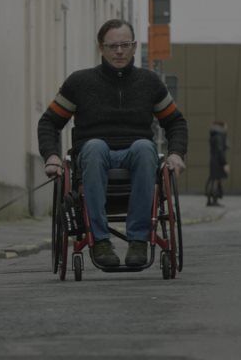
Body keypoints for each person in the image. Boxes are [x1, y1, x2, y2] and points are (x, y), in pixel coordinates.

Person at [37, 19, 188, 268]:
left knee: (144, 147)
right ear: (101, 48)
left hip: (136, 154)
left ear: (134, 46)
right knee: (95, 147)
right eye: (112, 46)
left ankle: (138, 241)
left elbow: (175, 122)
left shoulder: (150, 83)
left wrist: (176, 154)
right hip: (93, 155)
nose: (119, 51)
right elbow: (49, 122)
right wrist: (51, 156)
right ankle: (100, 241)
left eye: (125, 45)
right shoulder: (79, 83)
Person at [206, 121, 229, 206]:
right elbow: (220, 150)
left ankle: (210, 200)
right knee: (216, 181)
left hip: (214, 161)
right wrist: (225, 163)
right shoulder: (219, 136)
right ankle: (214, 201)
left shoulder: (214, 135)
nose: (227, 128)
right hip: (218, 162)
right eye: (226, 126)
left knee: (213, 180)